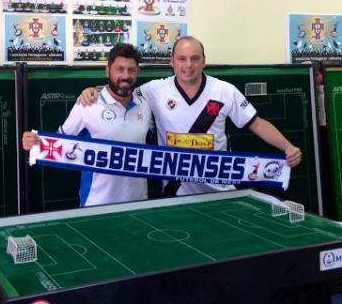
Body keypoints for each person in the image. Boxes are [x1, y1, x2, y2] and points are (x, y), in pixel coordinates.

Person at [77, 36, 302, 196]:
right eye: (182, 59)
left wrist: (288, 147)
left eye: (194, 58)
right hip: (174, 194)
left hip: (220, 193)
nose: (188, 65)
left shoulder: (225, 91)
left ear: (204, 61)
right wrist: (93, 91)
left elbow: (257, 124)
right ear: (172, 61)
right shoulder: (155, 90)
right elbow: (121, 91)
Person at [22, 43, 153, 206]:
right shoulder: (87, 105)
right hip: (96, 204)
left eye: (131, 70)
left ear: (138, 71)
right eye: (119, 69)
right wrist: (36, 143)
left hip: (138, 202)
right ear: (108, 71)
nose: (125, 76)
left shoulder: (145, 106)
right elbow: (59, 141)